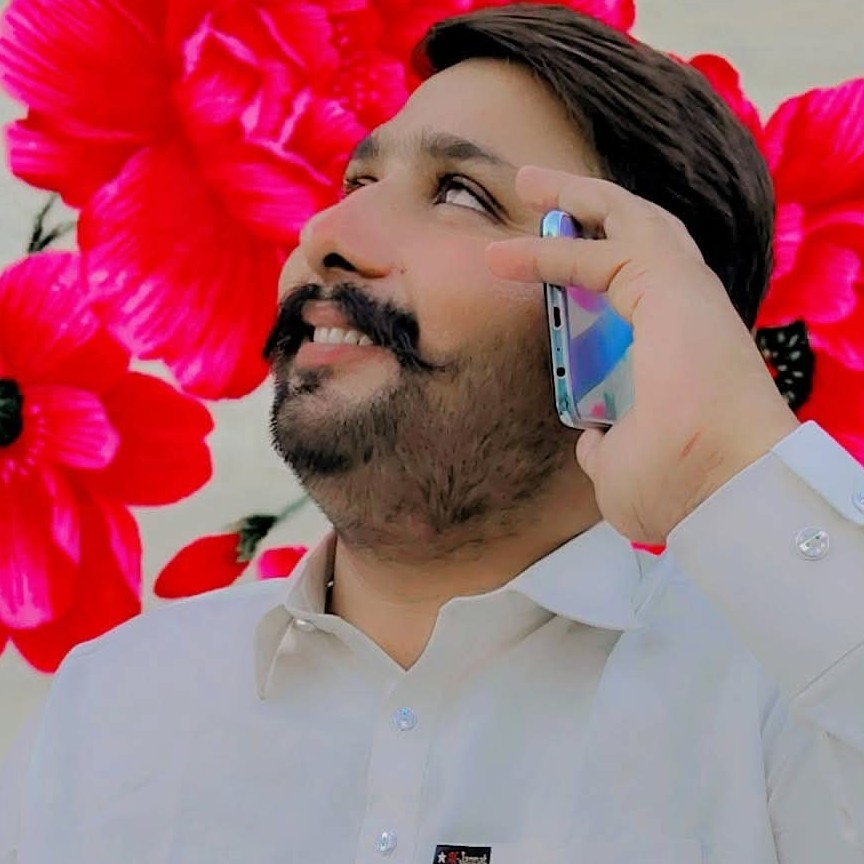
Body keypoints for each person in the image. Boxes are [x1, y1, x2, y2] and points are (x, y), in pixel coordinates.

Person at [2, 4, 863, 862]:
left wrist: (725, 459)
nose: (325, 234)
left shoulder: (787, 709)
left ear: (622, 317)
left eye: (460, 193)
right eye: (357, 184)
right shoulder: (115, 706)